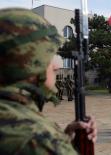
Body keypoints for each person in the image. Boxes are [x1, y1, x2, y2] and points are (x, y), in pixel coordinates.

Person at [0, 8, 97, 154]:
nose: (57, 66)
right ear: (28, 64)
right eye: (49, 56)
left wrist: (64, 139)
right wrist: (57, 145)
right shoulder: (38, 139)